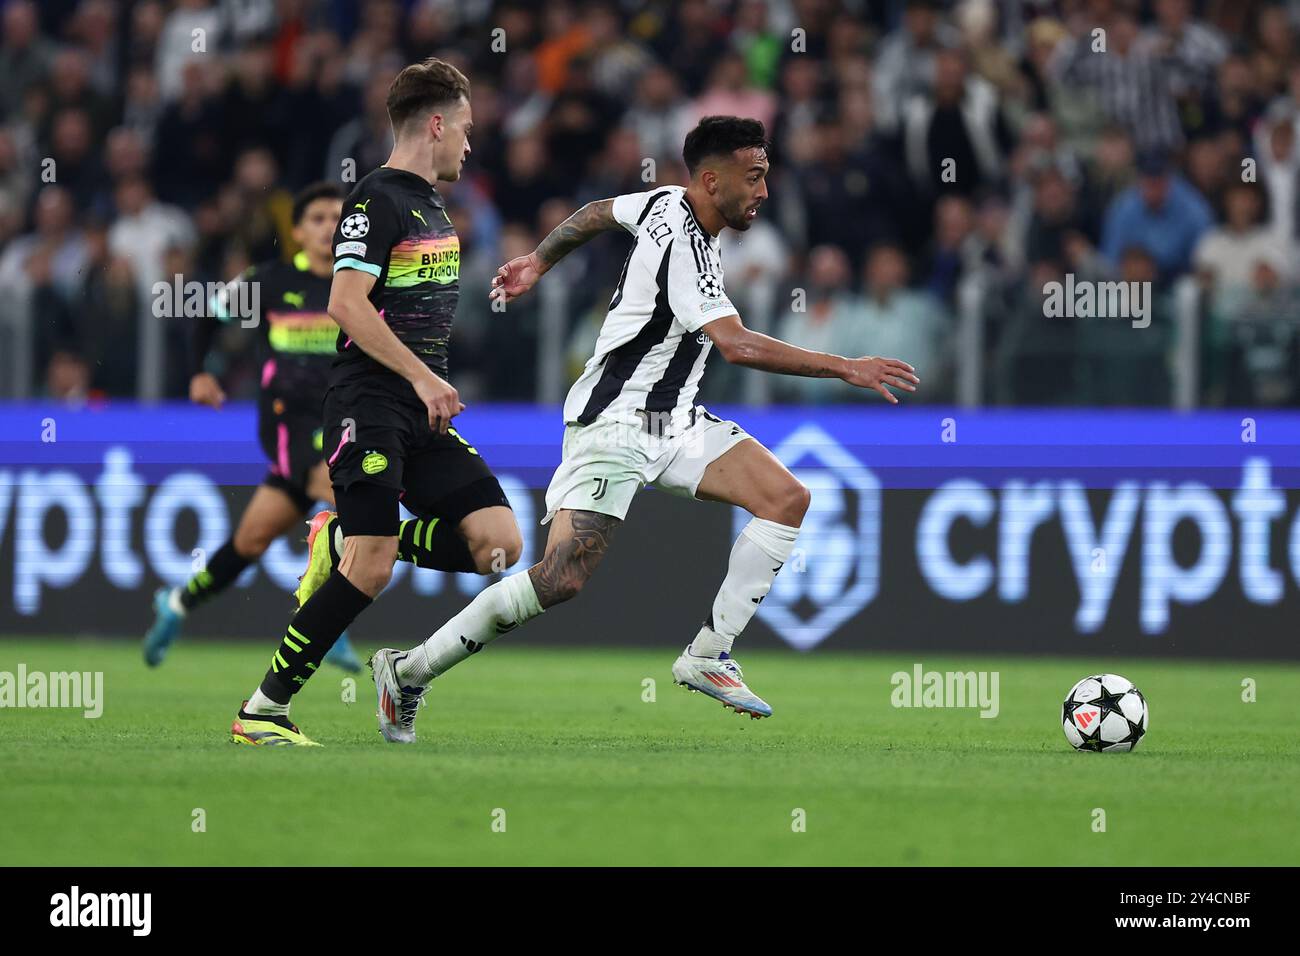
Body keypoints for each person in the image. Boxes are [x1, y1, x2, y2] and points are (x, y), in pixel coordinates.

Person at [365, 116, 918, 744]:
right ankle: (408, 672)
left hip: (671, 419)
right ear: (712, 180)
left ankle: (708, 654)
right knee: (560, 578)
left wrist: (537, 263)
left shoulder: (661, 201)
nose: (764, 190)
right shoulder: (685, 244)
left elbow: (599, 212)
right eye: (754, 177)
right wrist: (846, 365)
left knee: (786, 498)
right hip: (617, 421)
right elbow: (735, 346)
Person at [229, 58, 522, 746]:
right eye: (467, 130)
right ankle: (262, 709)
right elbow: (345, 304)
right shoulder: (376, 199)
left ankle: (334, 537)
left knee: (499, 546)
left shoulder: (434, 204)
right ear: (438, 123)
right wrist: (423, 378)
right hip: (371, 403)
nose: (470, 146)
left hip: (423, 413)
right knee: (372, 567)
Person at [143, 182, 362, 672]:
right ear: (299, 230)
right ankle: (329, 622)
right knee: (341, 493)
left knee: (250, 542)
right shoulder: (268, 281)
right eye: (319, 219)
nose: (329, 227)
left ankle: (176, 603)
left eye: (337, 218)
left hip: (339, 422)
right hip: (288, 421)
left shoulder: (357, 285)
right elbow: (205, 317)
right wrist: (202, 372)